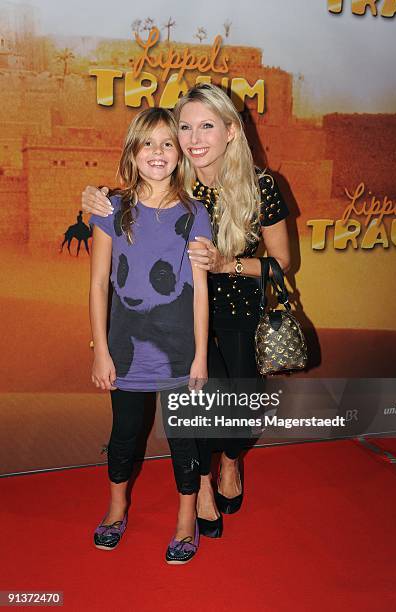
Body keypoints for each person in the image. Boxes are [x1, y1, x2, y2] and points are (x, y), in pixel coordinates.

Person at [83, 83, 290, 537]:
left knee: (241, 410)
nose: (194, 138)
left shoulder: (261, 186)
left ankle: (230, 463)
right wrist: (92, 200)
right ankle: (204, 489)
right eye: (186, 127)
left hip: (235, 308)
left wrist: (227, 263)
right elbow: (126, 201)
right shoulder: (175, 175)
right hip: (178, 317)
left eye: (207, 126)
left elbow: (283, 261)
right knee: (195, 410)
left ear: (232, 131)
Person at [89, 107, 212, 564]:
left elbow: (201, 292)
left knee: (185, 437)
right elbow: (99, 285)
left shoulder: (194, 213)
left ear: (179, 154)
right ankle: (116, 508)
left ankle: (186, 519)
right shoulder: (111, 209)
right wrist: (101, 350)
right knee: (125, 433)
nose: (157, 152)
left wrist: (200, 356)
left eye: (167, 143)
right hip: (125, 347)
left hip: (180, 349)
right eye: (148, 143)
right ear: (132, 151)